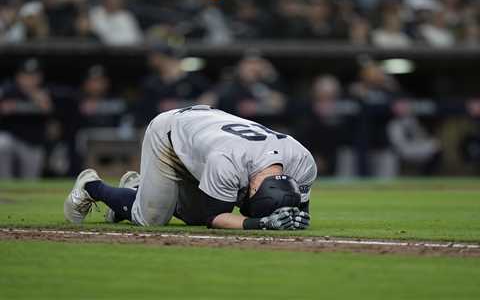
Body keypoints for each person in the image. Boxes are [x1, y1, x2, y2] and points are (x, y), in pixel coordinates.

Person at [64, 105, 316, 230]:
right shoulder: (226, 162)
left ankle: (140, 189)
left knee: (192, 216)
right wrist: (261, 224)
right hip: (171, 133)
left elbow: (299, 210)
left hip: (208, 132)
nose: (243, 203)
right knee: (151, 219)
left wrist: (295, 219)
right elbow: (213, 217)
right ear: (251, 186)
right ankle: (91, 186)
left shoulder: (303, 161)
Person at [0, 58, 53, 178]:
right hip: (12, 140)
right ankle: (3, 184)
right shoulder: (8, 90)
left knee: (30, 180)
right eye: (26, 76)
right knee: (2, 143)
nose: (30, 80)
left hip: (33, 143)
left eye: (34, 76)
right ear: (18, 77)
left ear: (40, 77)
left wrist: (38, 98)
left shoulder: (45, 92)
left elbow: (48, 110)